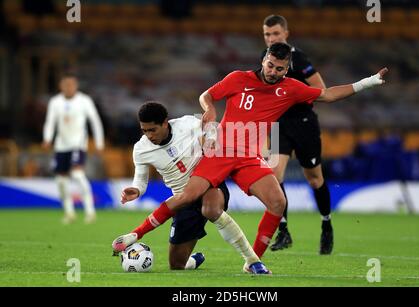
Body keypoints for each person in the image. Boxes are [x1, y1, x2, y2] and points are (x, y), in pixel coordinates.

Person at [112, 42, 388, 270]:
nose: (273, 71)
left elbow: (327, 95)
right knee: (187, 197)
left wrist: (368, 82)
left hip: (248, 157)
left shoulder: (290, 88)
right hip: (219, 151)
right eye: (270, 65)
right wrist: (209, 110)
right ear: (264, 60)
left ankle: (253, 262)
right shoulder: (237, 79)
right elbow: (207, 95)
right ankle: (135, 234)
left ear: (286, 68)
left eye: (280, 68)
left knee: (278, 202)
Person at [115, 101, 269, 274]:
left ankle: (252, 261)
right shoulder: (140, 149)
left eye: (153, 130)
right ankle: (194, 260)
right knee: (176, 265)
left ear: (165, 123)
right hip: (183, 201)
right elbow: (141, 181)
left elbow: (210, 126)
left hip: (209, 185)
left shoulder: (186, 124)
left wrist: (210, 139)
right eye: (144, 130)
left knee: (210, 209)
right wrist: (136, 190)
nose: (149, 135)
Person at [262, 15, 331, 254]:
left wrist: (294, 93)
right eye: (267, 35)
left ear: (286, 34)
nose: (271, 39)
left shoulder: (299, 59)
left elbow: (320, 89)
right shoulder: (266, 59)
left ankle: (326, 224)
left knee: (314, 178)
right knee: (274, 174)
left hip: (304, 124)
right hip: (279, 124)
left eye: (275, 34)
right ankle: (283, 231)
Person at [42, 73, 104, 224]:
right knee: (61, 181)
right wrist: (47, 138)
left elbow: (95, 121)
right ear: (61, 86)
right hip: (61, 145)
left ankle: (90, 211)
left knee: (77, 175)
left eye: (71, 84)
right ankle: (69, 212)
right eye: (65, 84)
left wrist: (99, 142)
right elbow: (50, 121)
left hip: (77, 144)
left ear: (76, 86)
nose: (68, 87)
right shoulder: (55, 102)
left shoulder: (84, 101)